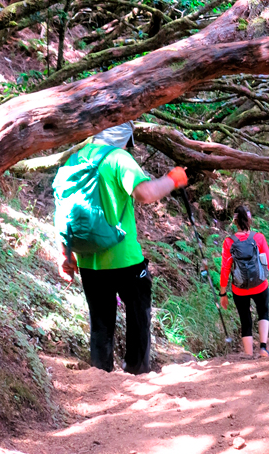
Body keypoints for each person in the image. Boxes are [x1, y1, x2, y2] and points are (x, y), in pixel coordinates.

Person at [57, 121, 188, 374]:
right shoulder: (118, 157)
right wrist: (173, 179)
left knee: (100, 323)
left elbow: (63, 210)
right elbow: (145, 193)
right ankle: (137, 372)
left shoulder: (75, 160)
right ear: (123, 138)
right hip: (124, 257)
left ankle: (101, 376)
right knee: (139, 311)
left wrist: (66, 255)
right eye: (130, 142)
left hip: (87, 259)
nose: (130, 147)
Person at [219, 204, 269, 358]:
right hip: (260, 285)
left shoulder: (229, 242)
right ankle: (263, 348)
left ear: (234, 221)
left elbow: (225, 269)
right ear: (250, 219)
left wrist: (223, 293)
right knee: (263, 312)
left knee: (245, 319)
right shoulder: (259, 237)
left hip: (239, 288)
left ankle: (248, 356)